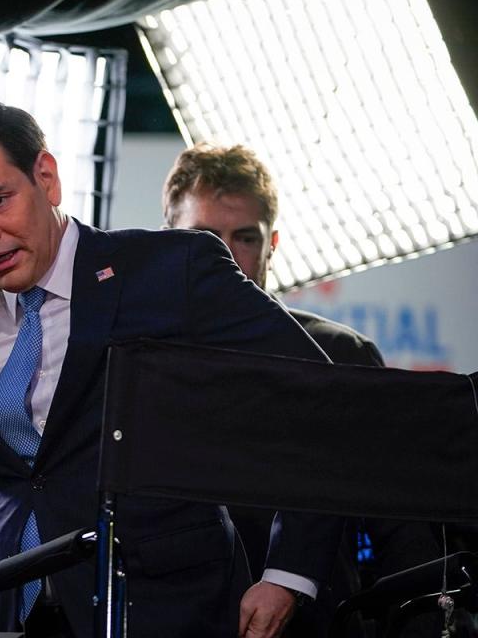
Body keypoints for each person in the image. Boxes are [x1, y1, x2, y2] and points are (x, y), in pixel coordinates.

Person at [0, 100, 343, 638]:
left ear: (46, 178)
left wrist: (288, 573)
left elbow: (327, 399)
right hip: (15, 616)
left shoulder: (171, 272)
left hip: (169, 610)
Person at [163, 143, 441, 637]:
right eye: (204, 238)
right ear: (168, 241)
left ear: (272, 244)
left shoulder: (343, 354)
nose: (225, 257)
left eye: (243, 238)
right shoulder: (137, 364)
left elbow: (401, 529)